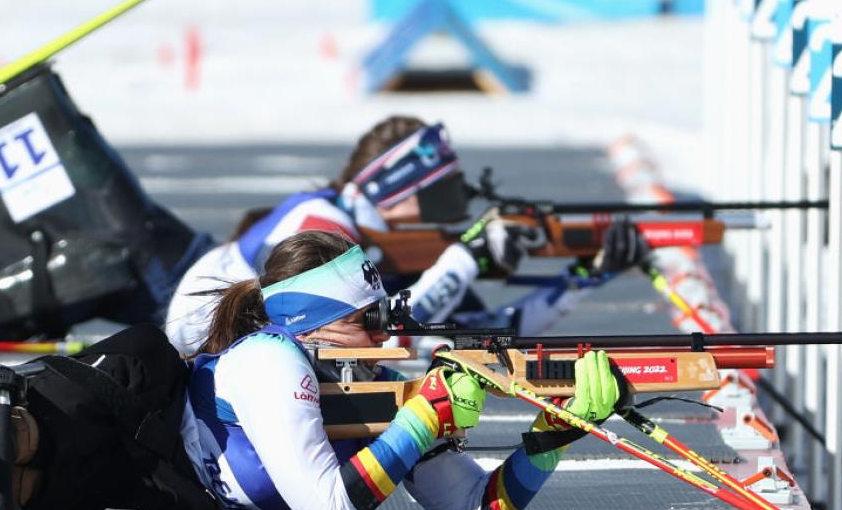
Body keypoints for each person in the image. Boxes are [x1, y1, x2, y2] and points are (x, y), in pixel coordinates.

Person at [178, 230, 627, 510]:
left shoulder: (368, 380)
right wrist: (421, 421)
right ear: (311, 326)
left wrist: (556, 431)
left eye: (382, 314)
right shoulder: (269, 361)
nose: (384, 333)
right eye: (364, 320)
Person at [165, 116, 648, 357]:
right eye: (434, 197)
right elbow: (385, 338)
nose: (444, 215)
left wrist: (579, 280)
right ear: (388, 189)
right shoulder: (319, 227)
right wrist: (464, 259)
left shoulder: (366, 242)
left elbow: (479, 334)